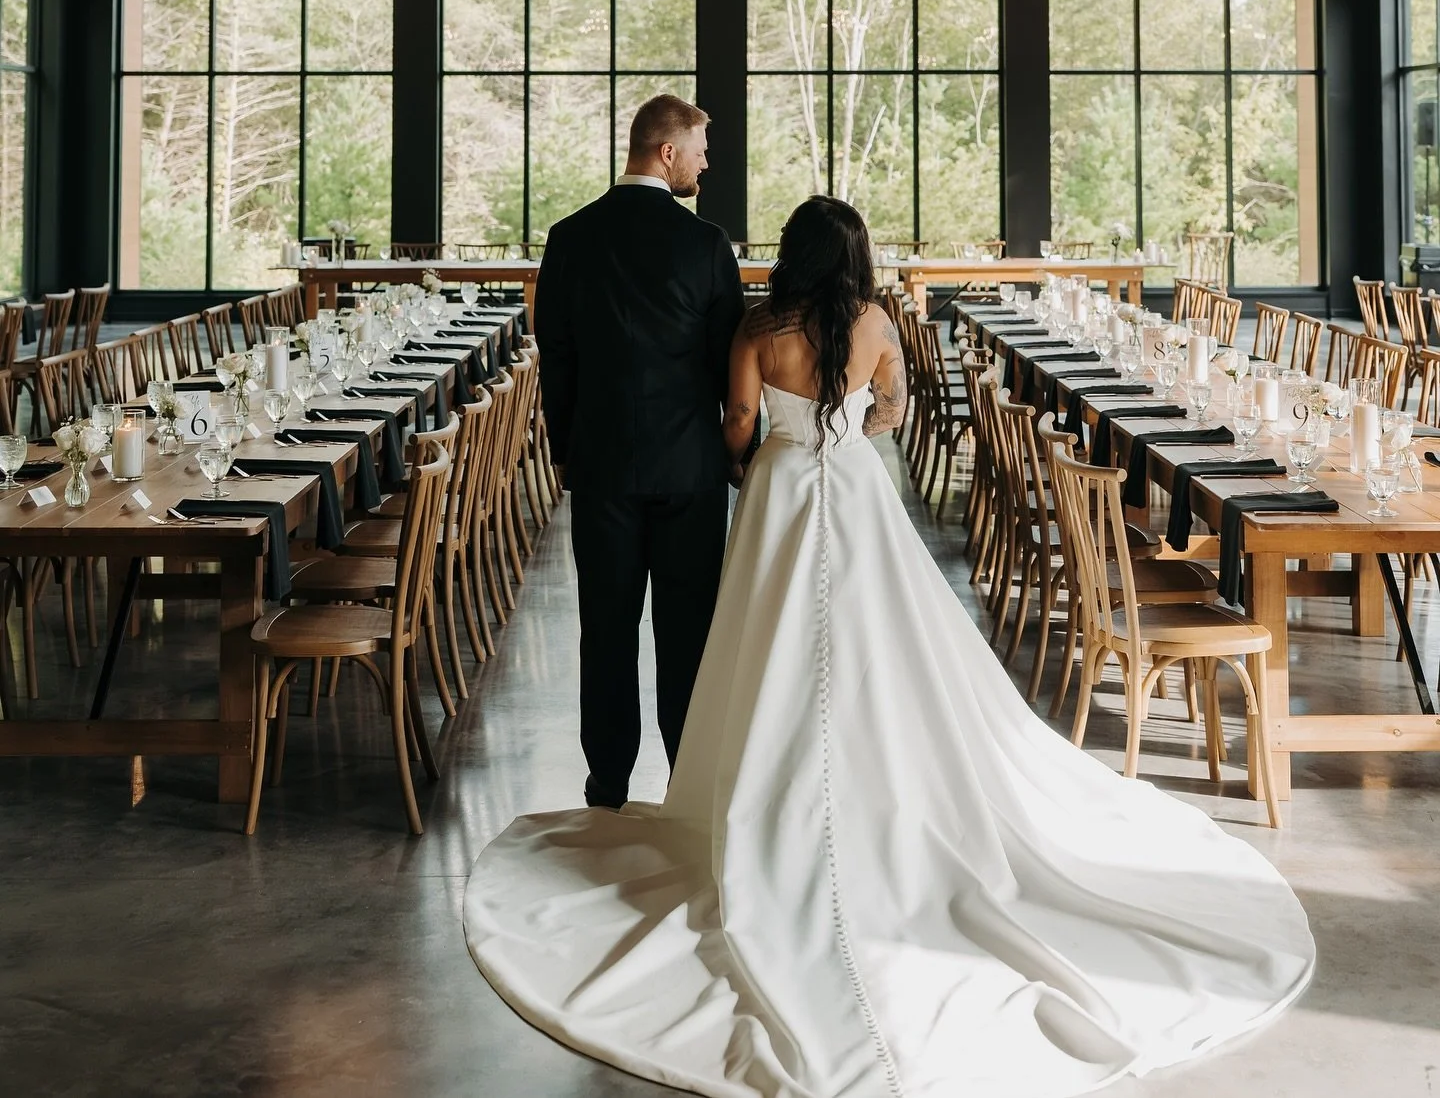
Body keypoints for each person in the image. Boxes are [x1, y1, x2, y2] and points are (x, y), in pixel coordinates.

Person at [473, 195, 1314, 1098]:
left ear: (792, 254)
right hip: (854, 491)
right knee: (880, 652)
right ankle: (882, 792)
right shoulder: (874, 322)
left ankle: (755, 797)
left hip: (779, 493)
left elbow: (739, 420)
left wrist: (763, 451)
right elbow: (894, 409)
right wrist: (843, 430)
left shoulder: (758, 327)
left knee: (765, 651)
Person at [534, 93, 744, 811]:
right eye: (700, 151)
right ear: (667, 151)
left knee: (606, 628)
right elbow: (727, 364)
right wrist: (733, 452)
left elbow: (556, 355)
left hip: (602, 466)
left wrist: (566, 451)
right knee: (688, 632)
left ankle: (608, 779)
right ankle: (686, 775)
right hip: (689, 469)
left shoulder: (569, 237)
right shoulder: (706, 245)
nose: (705, 165)